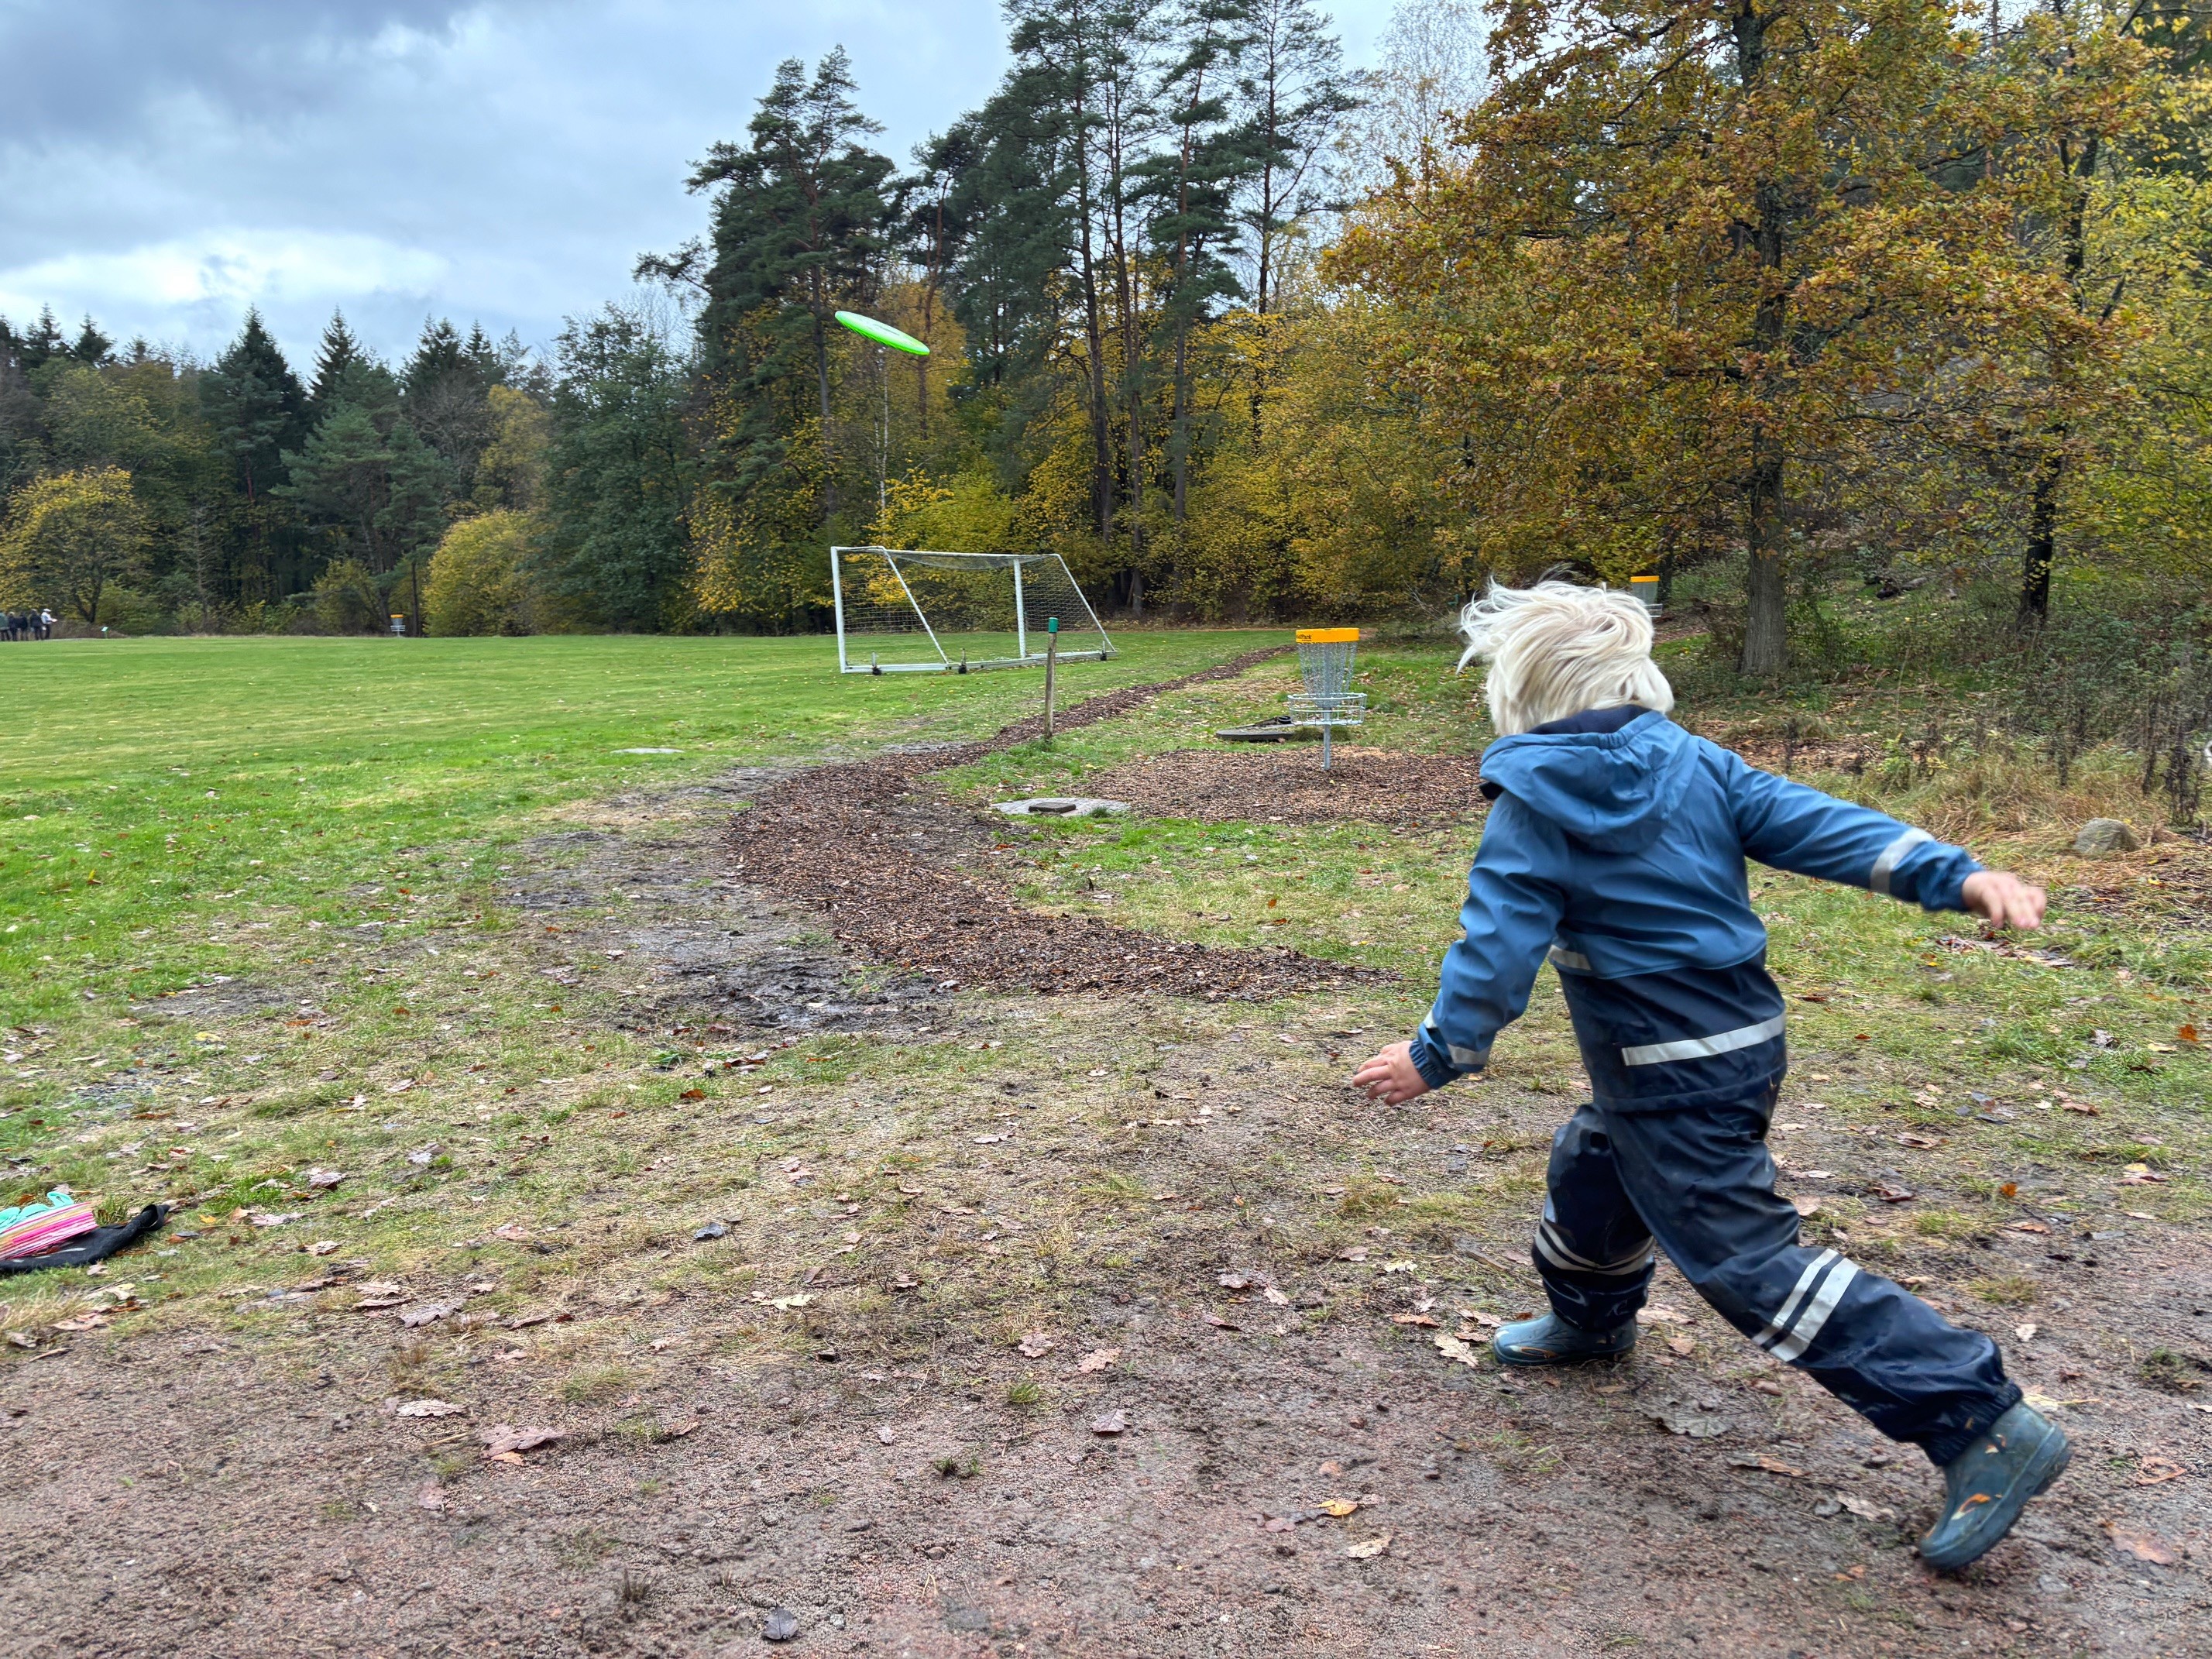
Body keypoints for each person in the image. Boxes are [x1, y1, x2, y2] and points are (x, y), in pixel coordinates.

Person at [1352, 579, 2067, 1574]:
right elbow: (1818, 821)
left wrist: (1436, 1054)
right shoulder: (1697, 763)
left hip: (1661, 1057)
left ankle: (1973, 1413)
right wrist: (1950, 871)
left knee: (1742, 1255)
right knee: (1599, 1163)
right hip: (1738, 1042)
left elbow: (1493, 949)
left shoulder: (1535, 802)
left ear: (1518, 693)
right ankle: (1592, 1320)